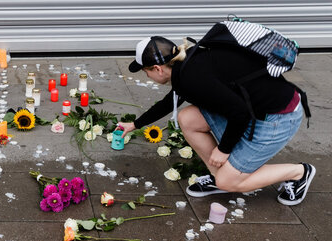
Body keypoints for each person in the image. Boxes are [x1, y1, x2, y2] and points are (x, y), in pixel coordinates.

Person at [116, 36, 315, 206]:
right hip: (255, 111)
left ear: (158, 69)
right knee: (188, 118)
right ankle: (221, 178)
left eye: (146, 72)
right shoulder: (186, 63)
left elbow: (240, 113)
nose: (148, 76)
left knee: (228, 182)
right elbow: (171, 101)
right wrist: (135, 124)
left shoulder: (191, 79)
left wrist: (224, 150)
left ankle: (299, 172)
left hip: (277, 119)